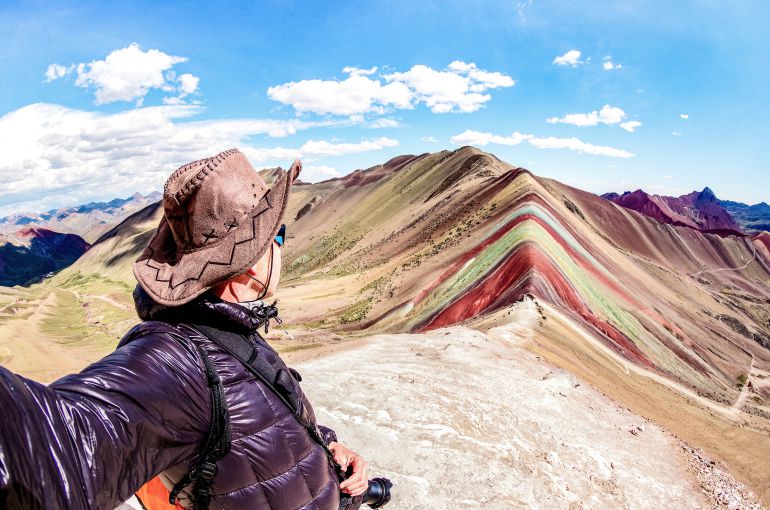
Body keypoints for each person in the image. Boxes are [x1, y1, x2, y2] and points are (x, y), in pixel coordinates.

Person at [0, 149, 367, 509]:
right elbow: (61, 446)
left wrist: (326, 445)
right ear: (253, 263)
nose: (282, 245)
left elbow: (265, 423)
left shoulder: (229, 324)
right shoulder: (175, 359)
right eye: (279, 235)